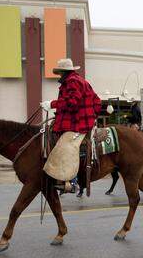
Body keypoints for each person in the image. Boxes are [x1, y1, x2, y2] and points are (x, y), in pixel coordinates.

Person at [40, 58, 102, 193]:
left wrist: (52, 104)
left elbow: (72, 102)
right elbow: (97, 101)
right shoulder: (78, 81)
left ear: (63, 72)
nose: (59, 75)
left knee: (66, 145)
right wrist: (92, 115)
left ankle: (72, 181)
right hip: (79, 120)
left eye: (60, 73)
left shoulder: (72, 81)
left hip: (79, 123)